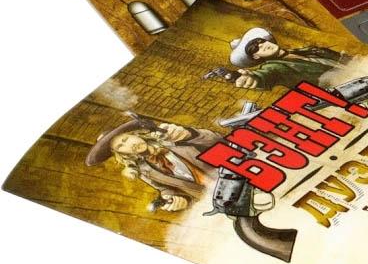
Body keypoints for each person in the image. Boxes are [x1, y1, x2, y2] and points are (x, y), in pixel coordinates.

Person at [85, 114, 220, 213]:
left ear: (135, 134)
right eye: (121, 146)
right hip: (218, 199)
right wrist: (180, 200)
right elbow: (166, 189)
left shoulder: (171, 136)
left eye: (126, 139)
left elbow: (216, 139)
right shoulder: (143, 171)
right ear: (122, 154)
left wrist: (190, 134)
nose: (129, 145)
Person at [229, 27, 347, 90]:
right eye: (255, 48)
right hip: (341, 91)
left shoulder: (305, 50)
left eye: (260, 41)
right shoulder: (275, 66)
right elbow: (266, 75)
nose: (261, 45)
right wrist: (253, 78)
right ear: (256, 56)